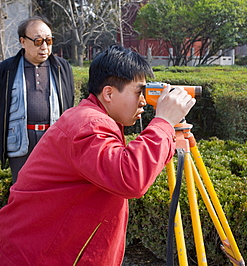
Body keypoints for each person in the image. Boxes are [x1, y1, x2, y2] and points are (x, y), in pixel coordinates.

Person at [0, 45, 195, 266]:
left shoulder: (90, 118)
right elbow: (130, 178)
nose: (144, 101)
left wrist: (166, 130)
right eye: (139, 91)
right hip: (40, 256)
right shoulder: (90, 124)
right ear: (109, 93)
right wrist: (163, 123)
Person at [0, 15, 74, 182]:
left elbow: (69, 105)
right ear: (23, 41)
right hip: (20, 141)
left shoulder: (62, 68)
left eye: (49, 41)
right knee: (22, 190)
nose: (45, 47)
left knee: (54, 190)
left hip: (53, 140)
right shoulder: (7, 69)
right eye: (38, 41)